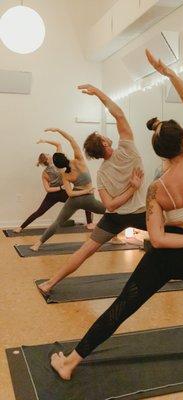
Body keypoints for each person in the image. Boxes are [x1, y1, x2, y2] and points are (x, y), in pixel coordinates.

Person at [50, 50, 183, 380]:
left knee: (122, 307)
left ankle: (70, 362)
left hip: (165, 258)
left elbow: (160, 239)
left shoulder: (157, 188)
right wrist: (168, 72)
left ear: (158, 151)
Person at [37, 84, 145, 294]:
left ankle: (49, 283)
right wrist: (133, 188)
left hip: (115, 217)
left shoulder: (101, 172)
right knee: (172, 233)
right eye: (103, 137)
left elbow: (110, 205)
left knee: (85, 250)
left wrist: (130, 191)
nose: (106, 136)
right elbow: (119, 115)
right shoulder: (128, 149)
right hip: (140, 213)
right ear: (104, 143)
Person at [30, 128, 106, 251]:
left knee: (58, 222)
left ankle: (37, 244)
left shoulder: (65, 175)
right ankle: (115, 237)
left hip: (74, 200)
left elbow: (70, 193)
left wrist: (83, 192)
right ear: (65, 155)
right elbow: (71, 139)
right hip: (89, 199)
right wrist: (57, 130)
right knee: (110, 212)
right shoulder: (79, 160)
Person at [13, 139, 92, 233]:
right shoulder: (56, 164)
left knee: (85, 203)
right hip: (59, 193)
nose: (50, 155)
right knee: (86, 203)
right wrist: (45, 141)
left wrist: (44, 141)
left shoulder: (48, 170)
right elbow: (48, 189)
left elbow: (48, 189)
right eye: (48, 155)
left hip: (59, 193)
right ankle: (90, 223)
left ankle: (20, 228)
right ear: (47, 159)